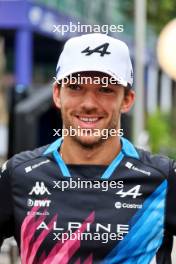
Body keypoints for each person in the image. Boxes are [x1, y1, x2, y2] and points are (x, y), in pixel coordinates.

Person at [0, 33, 175, 264]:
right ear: (57, 94)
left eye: (105, 89)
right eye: (75, 87)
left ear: (127, 100)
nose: (89, 104)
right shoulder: (18, 175)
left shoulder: (163, 178)